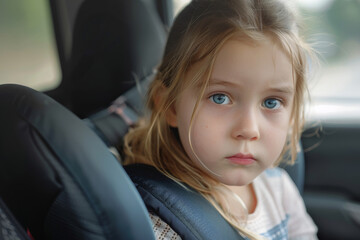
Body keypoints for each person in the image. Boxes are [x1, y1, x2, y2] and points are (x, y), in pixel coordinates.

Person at [123, 0, 318, 239]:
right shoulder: (161, 222)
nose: (248, 129)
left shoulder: (278, 188)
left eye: (271, 102)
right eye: (219, 98)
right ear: (170, 105)